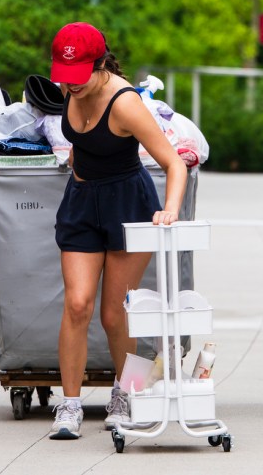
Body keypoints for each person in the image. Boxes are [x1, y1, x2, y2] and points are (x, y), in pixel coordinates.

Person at [46, 22, 188, 440]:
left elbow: (174, 163)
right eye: (63, 78)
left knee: (115, 314)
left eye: (77, 77)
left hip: (128, 204)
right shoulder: (68, 90)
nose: (69, 86)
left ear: (100, 63)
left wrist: (170, 210)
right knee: (77, 304)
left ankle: (127, 393)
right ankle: (69, 406)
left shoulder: (125, 103)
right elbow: (82, 142)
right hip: (81, 203)